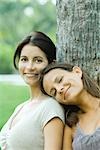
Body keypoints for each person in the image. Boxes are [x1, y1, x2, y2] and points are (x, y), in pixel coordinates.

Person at [0, 32, 65, 150]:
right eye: (24, 59)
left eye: (38, 60)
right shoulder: (21, 107)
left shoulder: (50, 108)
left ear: (51, 64)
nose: (29, 67)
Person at [40, 62, 100, 150]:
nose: (59, 89)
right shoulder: (71, 126)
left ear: (77, 72)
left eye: (60, 80)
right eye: (54, 92)